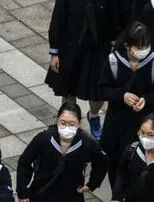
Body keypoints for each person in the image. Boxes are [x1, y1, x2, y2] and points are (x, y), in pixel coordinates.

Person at [97, 22, 154, 181]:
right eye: (139, 46)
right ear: (127, 45)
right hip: (116, 122)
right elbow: (102, 89)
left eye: (146, 45)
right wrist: (122, 96)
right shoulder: (113, 61)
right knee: (114, 162)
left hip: (142, 122)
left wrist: (147, 99)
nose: (143, 50)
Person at [46, 0, 120, 138]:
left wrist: (114, 47)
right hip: (71, 46)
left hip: (97, 48)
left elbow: (114, 20)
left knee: (98, 91)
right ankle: (68, 119)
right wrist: (55, 52)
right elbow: (58, 20)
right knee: (68, 90)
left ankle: (93, 116)